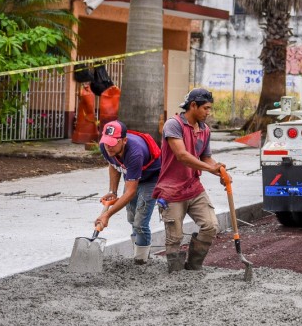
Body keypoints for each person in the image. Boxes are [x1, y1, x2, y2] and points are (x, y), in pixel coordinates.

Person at [154, 88, 228, 273]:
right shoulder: (173, 125)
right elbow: (182, 155)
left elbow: (206, 158)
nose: (208, 112)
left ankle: (194, 267)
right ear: (193, 105)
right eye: (206, 108)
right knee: (175, 237)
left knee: (210, 226)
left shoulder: (205, 130)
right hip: (171, 191)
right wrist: (210, 168)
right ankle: (176, 273)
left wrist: (219, 170)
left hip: (194, 188)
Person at [95, 120, 161, 265]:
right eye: (106, 142)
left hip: (151, 178)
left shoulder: (135, 153)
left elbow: (130, 192)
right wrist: (113, 190)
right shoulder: (105, 147)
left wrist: (107, 214)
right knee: (132, 218)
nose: (108, 147)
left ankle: (141, 261)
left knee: (140, 223)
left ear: (124, 140)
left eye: (113, 143)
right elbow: (114, 164)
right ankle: (138, 251)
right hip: (132, 176)